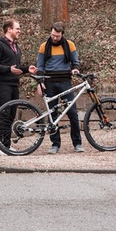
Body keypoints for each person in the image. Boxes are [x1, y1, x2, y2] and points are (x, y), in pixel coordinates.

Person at [0, 19, 37, 156]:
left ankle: (6, 145)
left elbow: (16, 68)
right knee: (3, 114)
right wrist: (8, 69)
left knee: (11, 115)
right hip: (2, 84)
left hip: (14, 83)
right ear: (9, 29)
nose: (19, 31)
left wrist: (27, 69)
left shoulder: (16, 47)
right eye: (17, 28)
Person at [36, 22, 83, 154]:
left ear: (62, 34)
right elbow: (40, 66)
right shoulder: (44, 46)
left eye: (57, 36)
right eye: (52, 35)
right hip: (49, 83)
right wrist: (40, 82)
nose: (54, 38)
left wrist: (75, 69)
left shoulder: (70, 45)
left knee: (72, 113)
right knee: (52, 114)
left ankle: (77, 143)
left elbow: (75, 63)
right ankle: (55, 144)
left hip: (65, 82)